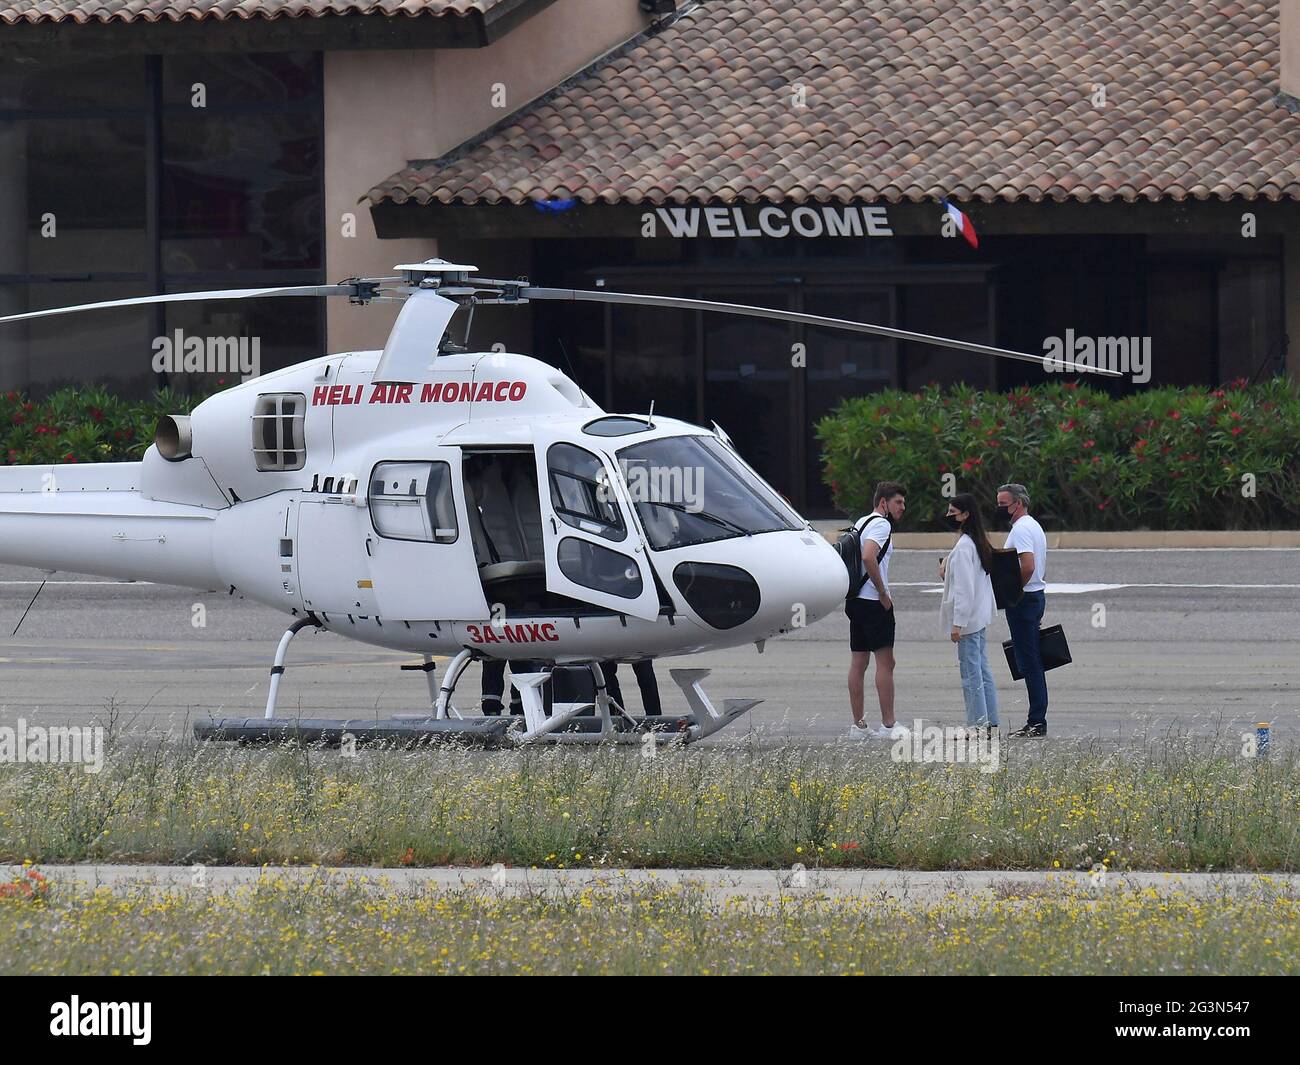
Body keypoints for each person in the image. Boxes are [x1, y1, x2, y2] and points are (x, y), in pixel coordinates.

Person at [846, 481, 907, 739]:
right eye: (898, 502)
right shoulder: (882, 524)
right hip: (873, 602)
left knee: (859, 661)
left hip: (855, 600)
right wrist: (882, 593)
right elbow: (869, 556)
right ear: (884, 502)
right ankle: (889, 725)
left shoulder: (861, 522)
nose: (903, 507)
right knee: (886, 662)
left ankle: (858, 726)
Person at [938, 493, 999, 734]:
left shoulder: (964, 547)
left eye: (953, 512)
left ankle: (977, 725)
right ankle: (989, 720)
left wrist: (957, 624)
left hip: (969, 622)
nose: (949, 516)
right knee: (982, 670)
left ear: (965, 515)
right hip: (979, 619)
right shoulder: (975, 542)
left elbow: (964, 590)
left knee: (970, 674)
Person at [996, 482, 1049, 737]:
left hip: (1025, 599)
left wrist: (1012, 592)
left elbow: (1027, 565)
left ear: (1018, 503)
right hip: (1035, 596)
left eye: (1003, 504)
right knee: (1030, 658)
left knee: (1030, 661)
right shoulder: (1033, 525)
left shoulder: (1021, 529)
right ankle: (1037, 718)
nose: (1000, 509)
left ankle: (1037, 721)